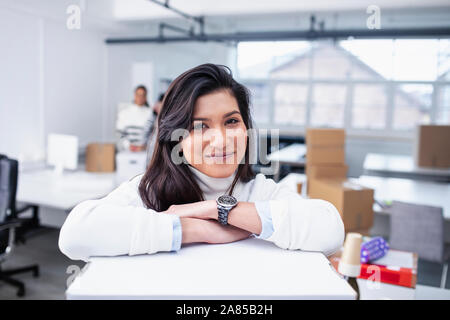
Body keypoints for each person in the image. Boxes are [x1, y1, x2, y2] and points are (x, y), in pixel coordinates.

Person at [59, 64, 344, 262]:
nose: (221, 141)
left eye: (231, 121)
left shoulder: (261, 192)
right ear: (176, 139)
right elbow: (75, 234)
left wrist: (215, 210)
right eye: (199, 126)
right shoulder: (149, 191)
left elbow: (330, 230)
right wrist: (195, 229)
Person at [116, 85, 151, 150]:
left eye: (143, 95)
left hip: (145, 151)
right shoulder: (124, 113)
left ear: (146, 97)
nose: (140, 97)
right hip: (127, 151)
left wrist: (145, 147)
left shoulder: (151, 113)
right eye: (138, 95)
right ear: (134, 95)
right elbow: (119, 134)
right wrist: (129, 146)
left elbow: (152, 134)